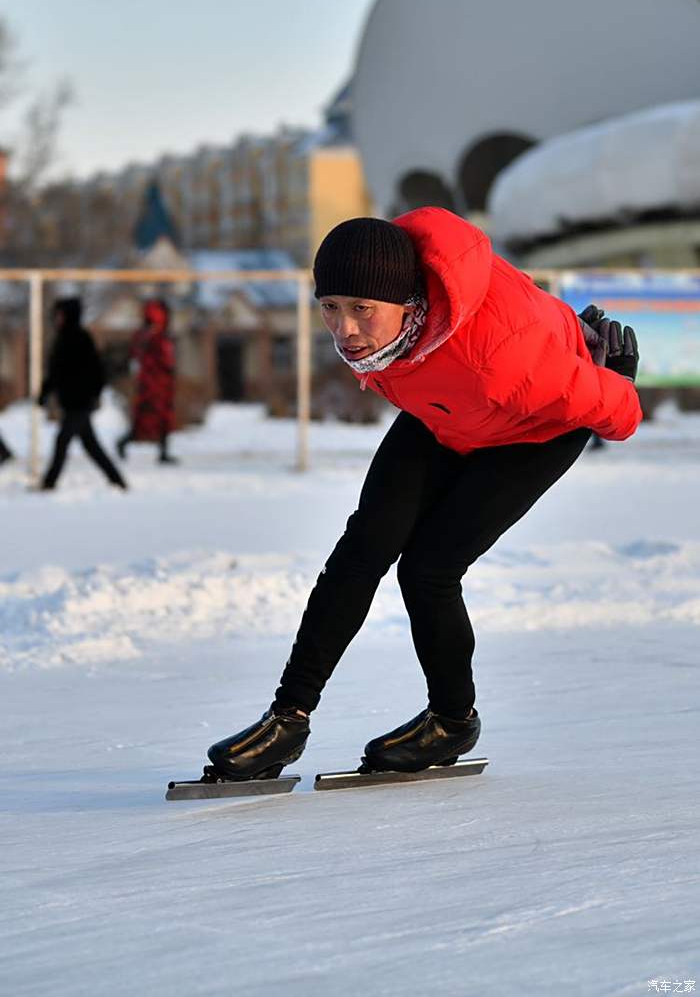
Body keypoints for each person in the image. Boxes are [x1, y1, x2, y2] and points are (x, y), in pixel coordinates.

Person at [203, 207, 641, 782]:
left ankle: (452, 721)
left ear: (409, 305)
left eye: (362, 310)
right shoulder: (391, 333)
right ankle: (288, 720)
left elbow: (622, 417)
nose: (345, 331)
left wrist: (618, 381)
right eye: (330, 309)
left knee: (429, 569)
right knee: (360, 552)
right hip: (445, 412)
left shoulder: (501, 356)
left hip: (534, 431)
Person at [39, 297, 127, 491]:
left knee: (62, 441)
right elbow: (57, 371)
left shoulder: (77, 338)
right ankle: (117, 481)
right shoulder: (67, 338)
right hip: (73, 402)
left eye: (60, 315)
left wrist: (92, 393)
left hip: (79, 402)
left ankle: (49, 482)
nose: (57, 319)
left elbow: (94, 370)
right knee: (91, 446)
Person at [116, 299, 178, 464]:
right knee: (146, 419)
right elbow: (155, 359)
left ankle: (163, 451)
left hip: (161, 385)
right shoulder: (148, 337)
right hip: (152, 385)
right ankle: (124, 442)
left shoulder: (156, 336)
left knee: (163, 420)